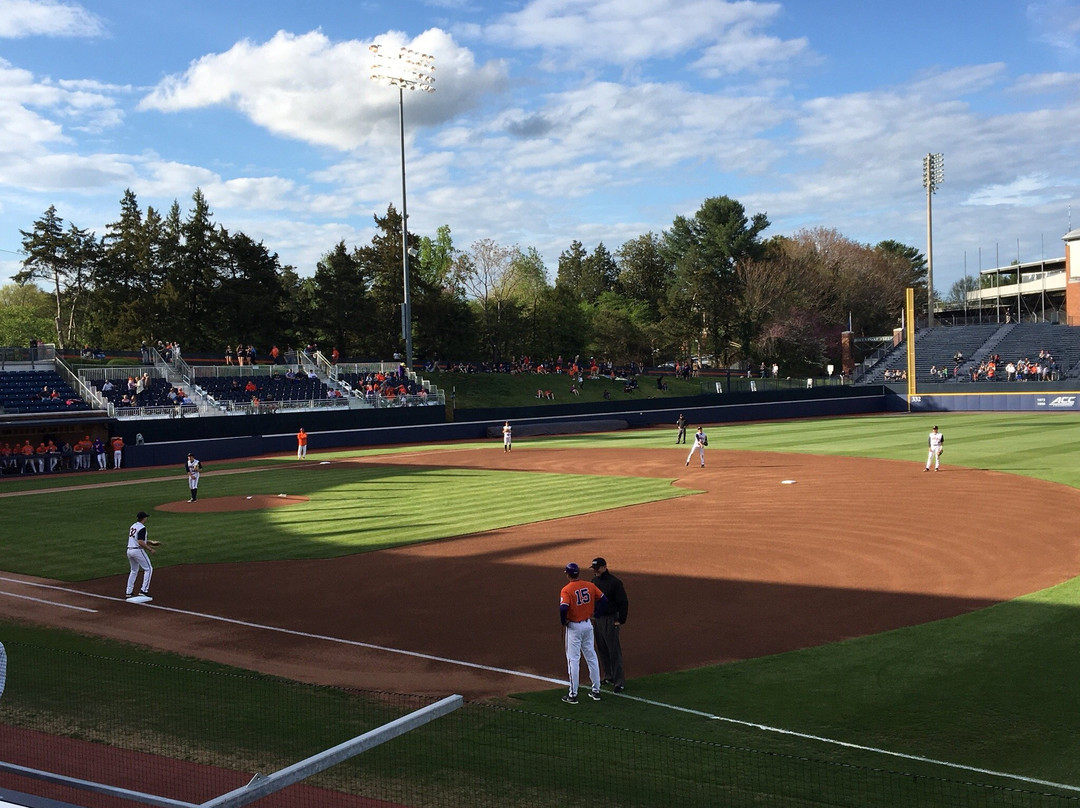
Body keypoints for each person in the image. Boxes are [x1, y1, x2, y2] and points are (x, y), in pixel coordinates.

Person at [559, 563, 606, 704]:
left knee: (573, 660)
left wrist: (563, 621)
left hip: (574, 627)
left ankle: (573, 695)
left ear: (568, 574)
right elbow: (604, 599)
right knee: (591, 656)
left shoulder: (566, 590)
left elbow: (563, 608)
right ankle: (596, 691)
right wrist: (597, 614)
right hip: (587, 625)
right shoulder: (589, 585)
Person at [590, 557, 628, 693]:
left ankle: (619, 682)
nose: (595, 571)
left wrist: (621, 620)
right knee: (602, 649)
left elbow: (623, 602)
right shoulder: (594, 581)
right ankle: (609, 676)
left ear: (604, 567)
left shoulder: (615, 583)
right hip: (598, 619)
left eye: (597, 568)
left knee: (614, 651)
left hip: (611, 619)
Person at [125, 511, 160, 599]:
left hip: (129, 550)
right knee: (149, 568)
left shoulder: (133, 526)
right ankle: (144, 590)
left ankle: (128, 592)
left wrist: (150, 542)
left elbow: (137, 539)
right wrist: (150, 549)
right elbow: (140, 542)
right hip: (137, 551)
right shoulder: (142, 528)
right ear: (144, 518)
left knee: (133, 570)